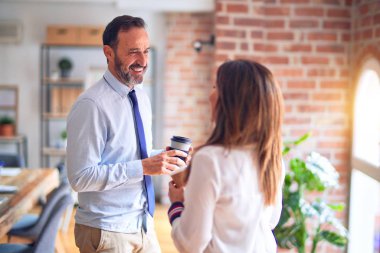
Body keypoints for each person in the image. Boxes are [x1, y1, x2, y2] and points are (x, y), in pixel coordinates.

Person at [67, 15, 187, 253]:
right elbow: (79, 178)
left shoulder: (140, 96)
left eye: (146, 51)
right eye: (133, 51)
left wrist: (164, 157)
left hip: (143, 224)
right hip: (106, 231)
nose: (143, 60)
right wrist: (143, 166)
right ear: (108, 53)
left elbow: (131, 154)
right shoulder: (91, 105)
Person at [167, 60, 285, 253]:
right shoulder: (273, 158)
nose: (210, 96)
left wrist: (177, 205)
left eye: (216, 88)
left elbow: (191, 244)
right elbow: (270, 221)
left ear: (231, 101)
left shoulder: (209, 160)